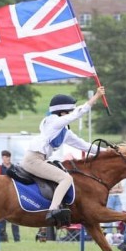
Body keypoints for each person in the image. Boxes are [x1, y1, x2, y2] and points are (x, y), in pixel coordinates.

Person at [20, 86, 106, 227]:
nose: (70, 115)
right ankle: (53, 210)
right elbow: (77, 113)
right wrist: (96, 96)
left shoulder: (64, 131)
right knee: (66, 178)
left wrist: (108, 152)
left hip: (40, 159)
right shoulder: (53, 121)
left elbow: (84, 146)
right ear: (62, 112)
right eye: (69, 112)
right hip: (33, 160)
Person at [0, 151, 20, 242]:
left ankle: (17, 239)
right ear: (2, 158)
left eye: (9, 157)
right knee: (1, 219)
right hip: (2, 195)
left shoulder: (14, 168)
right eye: (6, 157)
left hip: (13, 194)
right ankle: (2, 238)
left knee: (15, 218)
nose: (8, 158)